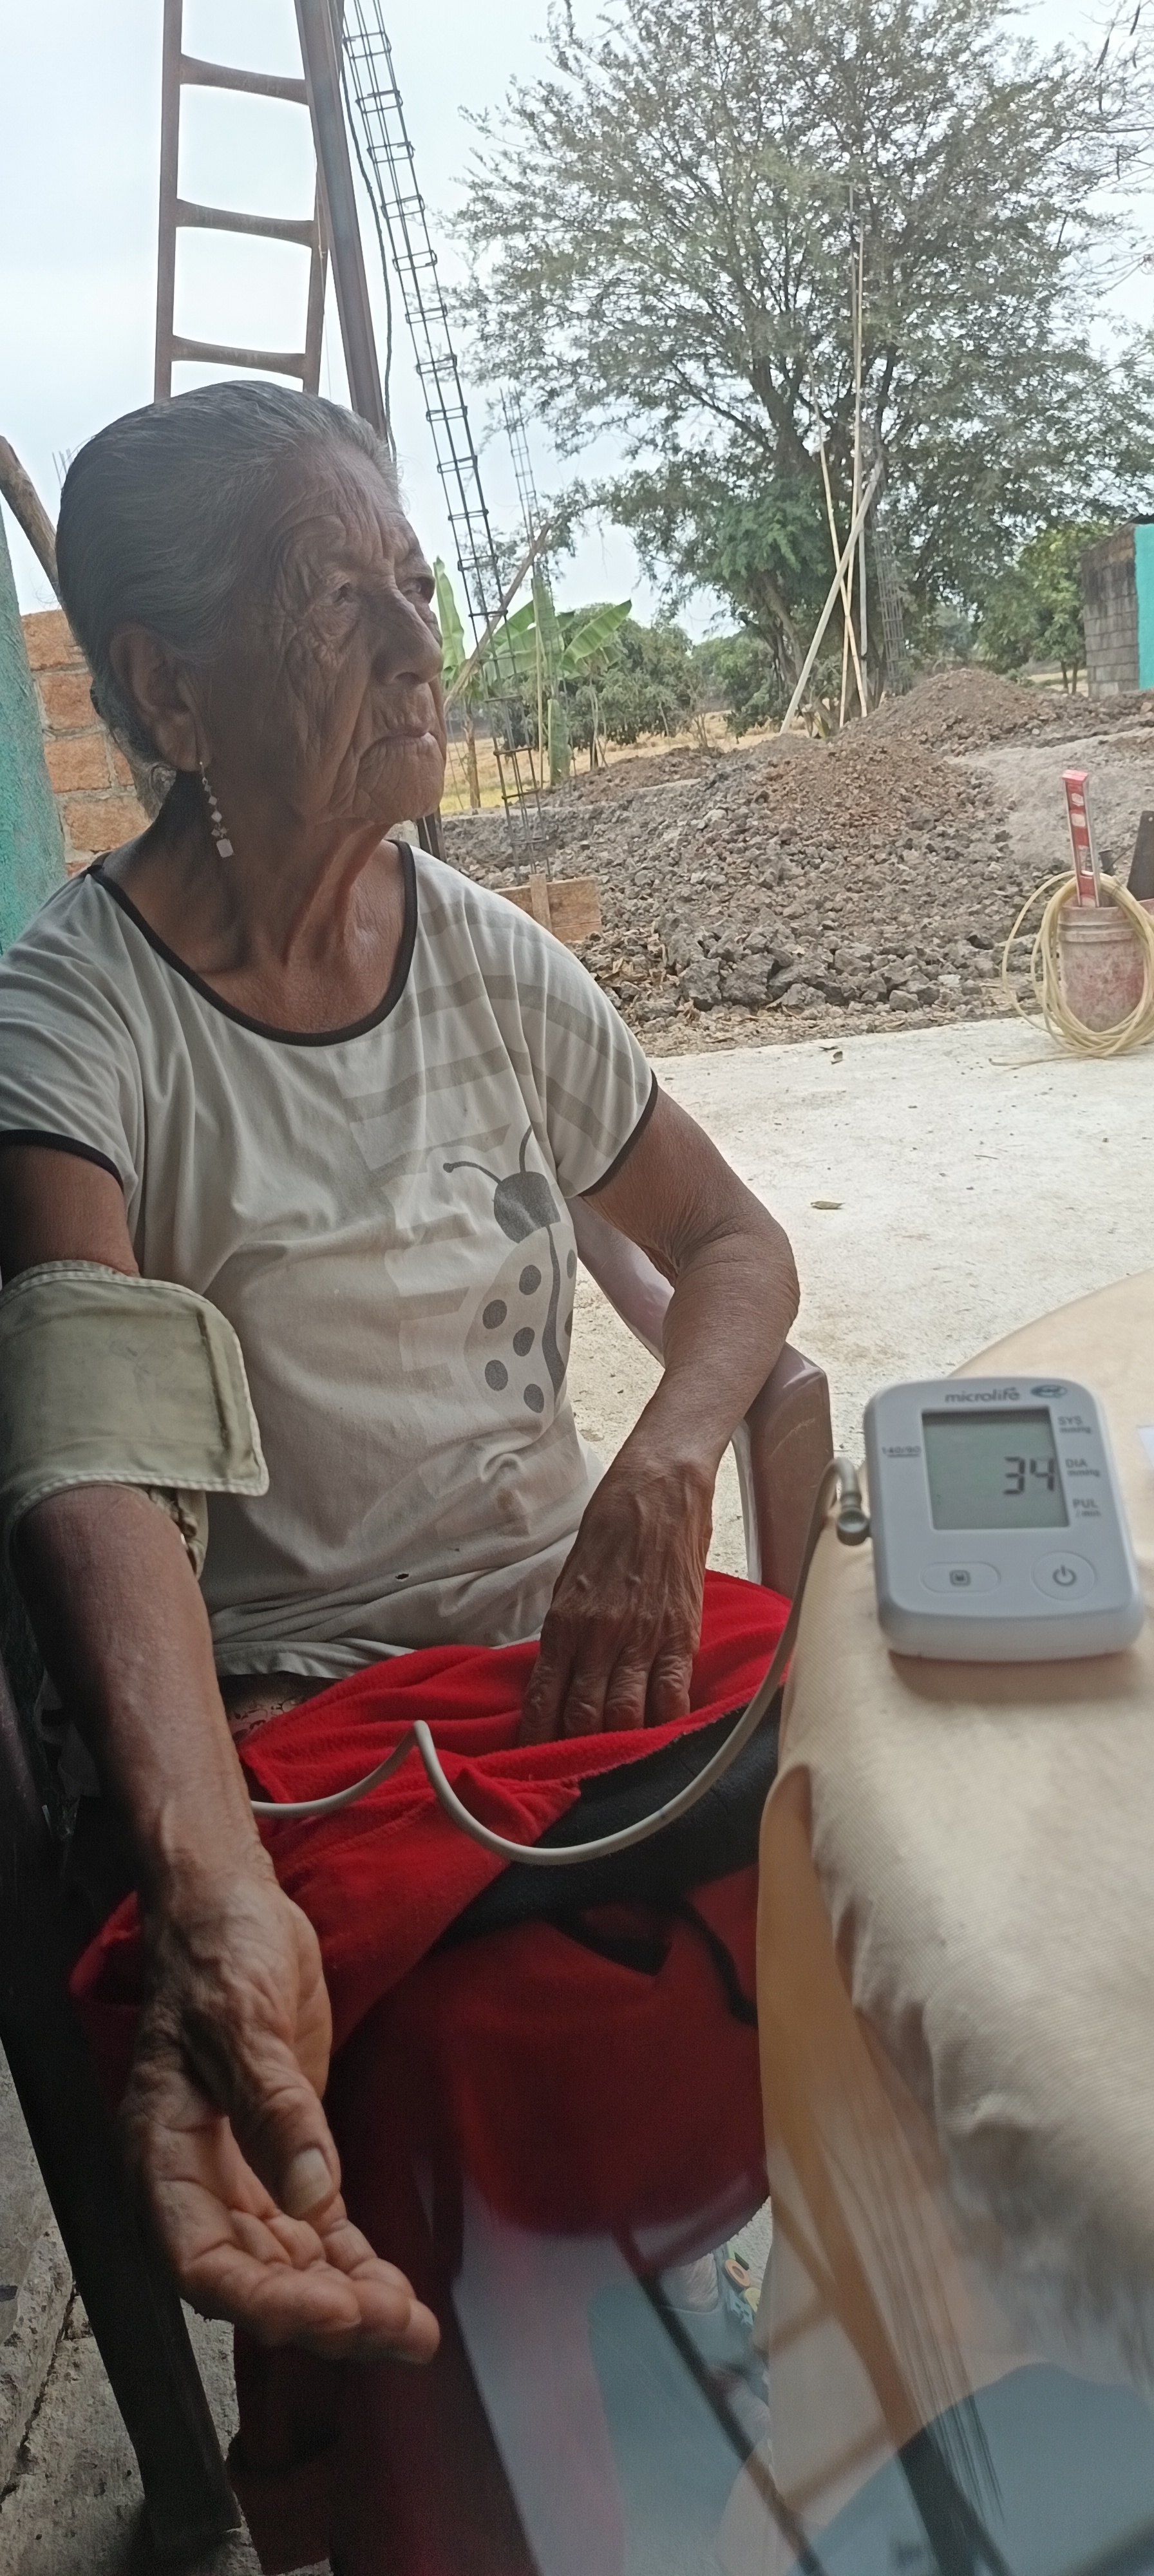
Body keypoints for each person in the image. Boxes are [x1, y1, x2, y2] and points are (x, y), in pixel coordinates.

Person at [0, 385, 799, 2382]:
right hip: (324, 1725)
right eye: (334, 601)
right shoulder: (74, 1026)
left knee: (860, 1846)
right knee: (443, 2048)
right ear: (170, 693)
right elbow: (92, 1456)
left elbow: (733, 1247)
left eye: (415, 588)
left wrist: (662, 1469)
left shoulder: (486, 958)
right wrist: (211, 1882)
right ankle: (475, 2424)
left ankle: (749, 2311)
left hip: (573, 1656)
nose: (417, 645)